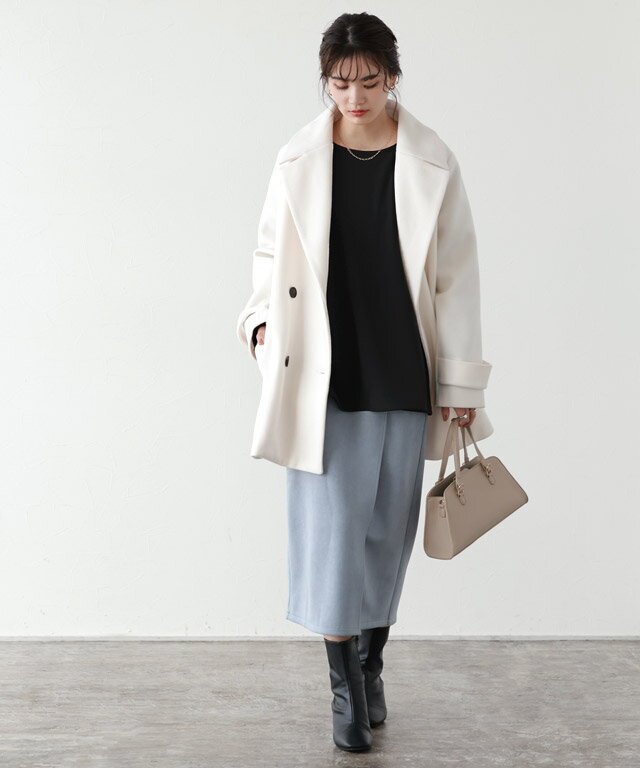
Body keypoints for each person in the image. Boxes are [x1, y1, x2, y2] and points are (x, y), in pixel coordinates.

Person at [237, 12, 493, 753]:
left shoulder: (432, 161)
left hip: (405, 367)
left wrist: (461, 385)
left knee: (384, 536)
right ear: (326, 81)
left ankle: (372, 668)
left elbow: (456, 279)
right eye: (341, 83)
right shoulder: (297, 158)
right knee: (332, 539)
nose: (355, 97)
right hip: (323, 370)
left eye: (370, 82)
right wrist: (260, 326)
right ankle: (344, 691)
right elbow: (267, 257)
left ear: (393, 77)